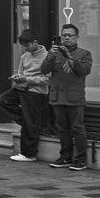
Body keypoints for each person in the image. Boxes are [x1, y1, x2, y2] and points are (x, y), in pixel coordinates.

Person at [41, 24, 93, 171]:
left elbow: (84, 70)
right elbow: (44, 70)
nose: (67, 38)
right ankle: (65, 157)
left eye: (70, 35)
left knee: (77, 128)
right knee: (62, 129)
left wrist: (69, 57)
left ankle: (80, 160)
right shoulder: (54, 53)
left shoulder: (84, 53)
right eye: (64, 35)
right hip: (57, 96)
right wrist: (50, 55)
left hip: (75, 98)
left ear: (77, 37)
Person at [0, 28, 51, 163]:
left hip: (36, 91)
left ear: (35, 42)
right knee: (2, 100)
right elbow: (21, 73)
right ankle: (28, 122)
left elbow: (48, 80)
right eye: (24, 46)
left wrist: (27, 79)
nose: (26, 48)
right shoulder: (25, 56)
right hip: (22, 88)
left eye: (28, 45)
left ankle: (29, 154)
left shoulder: (47, 57)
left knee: (29, 122)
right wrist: (17, 78)